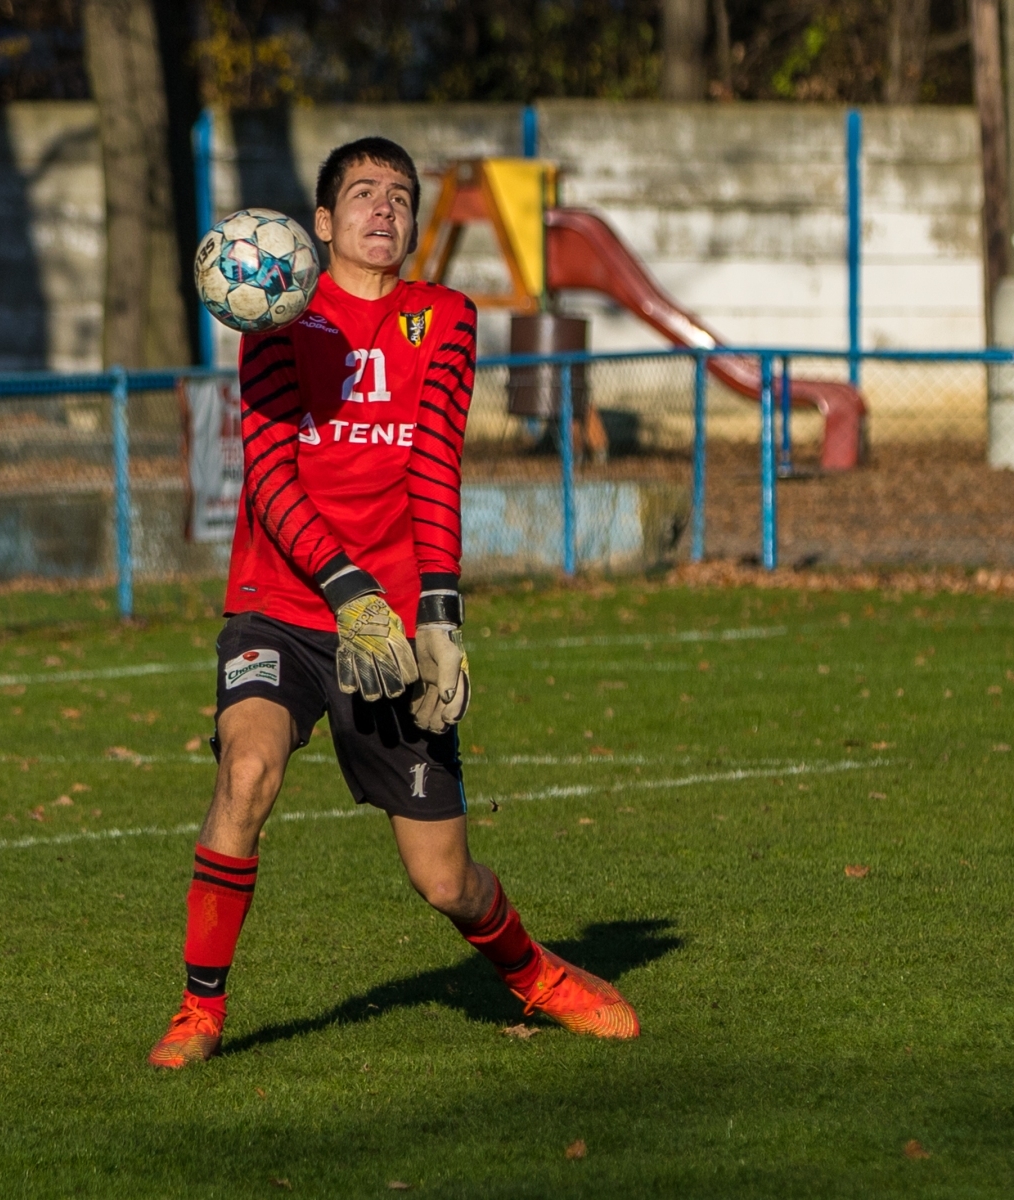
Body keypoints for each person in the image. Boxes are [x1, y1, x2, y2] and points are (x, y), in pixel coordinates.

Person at [148, 137, 640, 1068]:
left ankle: (534, 974)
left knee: (446, 880)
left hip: (395, 628)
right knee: (246, 772)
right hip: (283, 604)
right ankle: (199, 1010)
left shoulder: (444, 318)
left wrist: (440, 618)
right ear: (321, 222)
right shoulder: (275, 314)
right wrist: (349, 592)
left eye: (402, 196)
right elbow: (271, 479)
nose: (385, 207)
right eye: (363, 192)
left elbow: (433, 470)